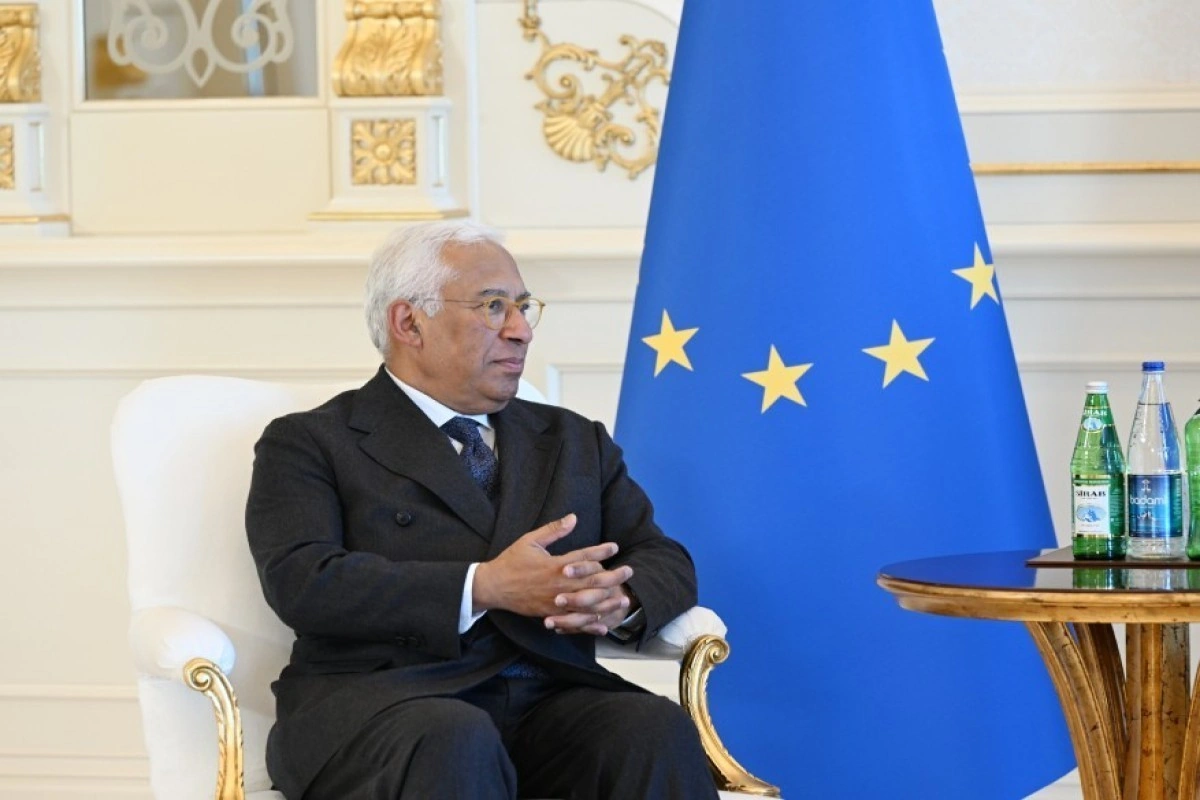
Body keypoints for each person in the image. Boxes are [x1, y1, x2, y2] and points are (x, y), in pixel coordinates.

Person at [245, 221, 717, 800]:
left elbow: (661, 556)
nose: (521, 330)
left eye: (523, 307)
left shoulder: (573, 439)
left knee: (650, 728)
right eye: (494, 307)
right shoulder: (311, 441)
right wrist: (485, 586)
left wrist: (619, 598)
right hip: (385, 703)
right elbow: (303, 581)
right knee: (454, 737)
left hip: (547, 695)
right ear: (409, 323)